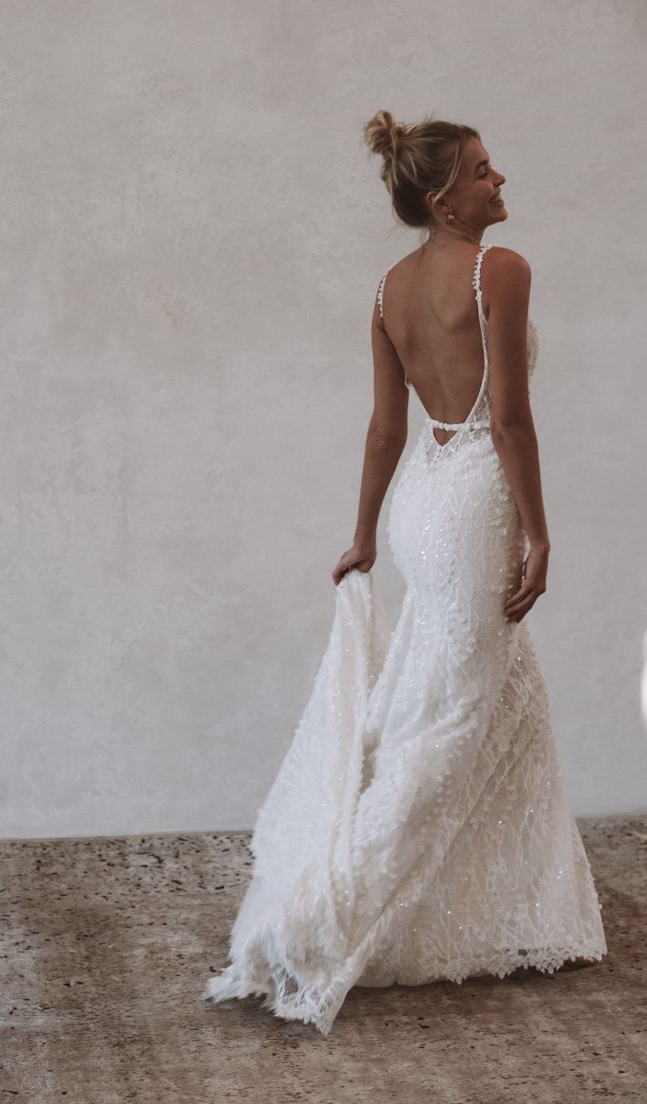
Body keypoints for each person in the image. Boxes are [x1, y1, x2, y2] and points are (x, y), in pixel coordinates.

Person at [203, 111, 608, 1037]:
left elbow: (387, 428)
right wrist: (540, 534)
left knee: (491, 701)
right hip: (474, 507)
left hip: (421, 506)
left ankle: (526, 917)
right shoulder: (498, 269)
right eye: (481, 170)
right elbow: (509, 424)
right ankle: (311, 927)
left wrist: (365, 536)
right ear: (443, 199)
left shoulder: (387, 288)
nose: (500, 179)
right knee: (447, 727)